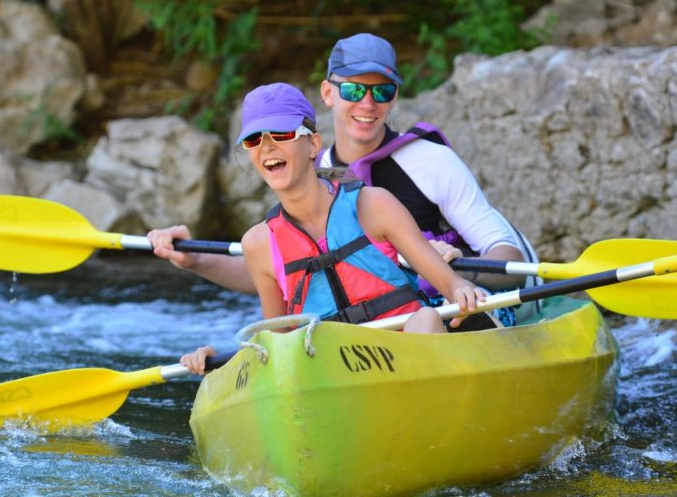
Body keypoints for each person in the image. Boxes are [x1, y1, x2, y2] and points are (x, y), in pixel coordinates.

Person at [149, 32, 539, 326]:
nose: (367, 104)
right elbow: (286, 272)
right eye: (353, 89)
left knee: (427, 319)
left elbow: (511, 257)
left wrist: (455, 268)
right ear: (328, 93)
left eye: (382, 91)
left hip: (449, 310)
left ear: (394, 97)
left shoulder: (429, 162)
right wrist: (196, 259)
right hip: (370, 332)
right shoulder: (312, 176)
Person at [179, 83, 486, 374]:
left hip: (405, 353)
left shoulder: (374, 206)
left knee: (427, 317)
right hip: (330, 373)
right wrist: (215, 363)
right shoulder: (258, 243)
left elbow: (451, 284)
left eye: (281, 134)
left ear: (312, 144)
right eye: (254, 140)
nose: (267, 147)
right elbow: (275, 345)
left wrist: (462, 292)